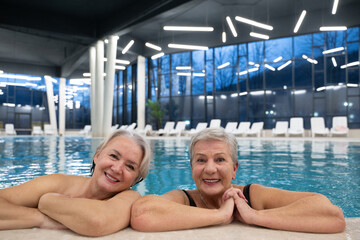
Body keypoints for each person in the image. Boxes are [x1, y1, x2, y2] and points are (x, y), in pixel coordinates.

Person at [131, 128, 345, 233]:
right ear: (192, 168)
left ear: (234, 169)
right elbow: (143, 212)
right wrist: (220, 214)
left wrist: (254, 215)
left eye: (220, 159)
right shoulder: (185, 198)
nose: (210, 168)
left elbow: (332, 215)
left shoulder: (253, 196)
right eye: (201, 160)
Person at [0, 129, 151, 237]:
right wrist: (39, 218)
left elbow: (96, 221)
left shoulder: (130, 199)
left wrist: (48, 201)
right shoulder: (58, 182)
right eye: (113, 156)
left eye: (130, 166)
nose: (117, 168)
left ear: (136, 179)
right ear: (97, 157)